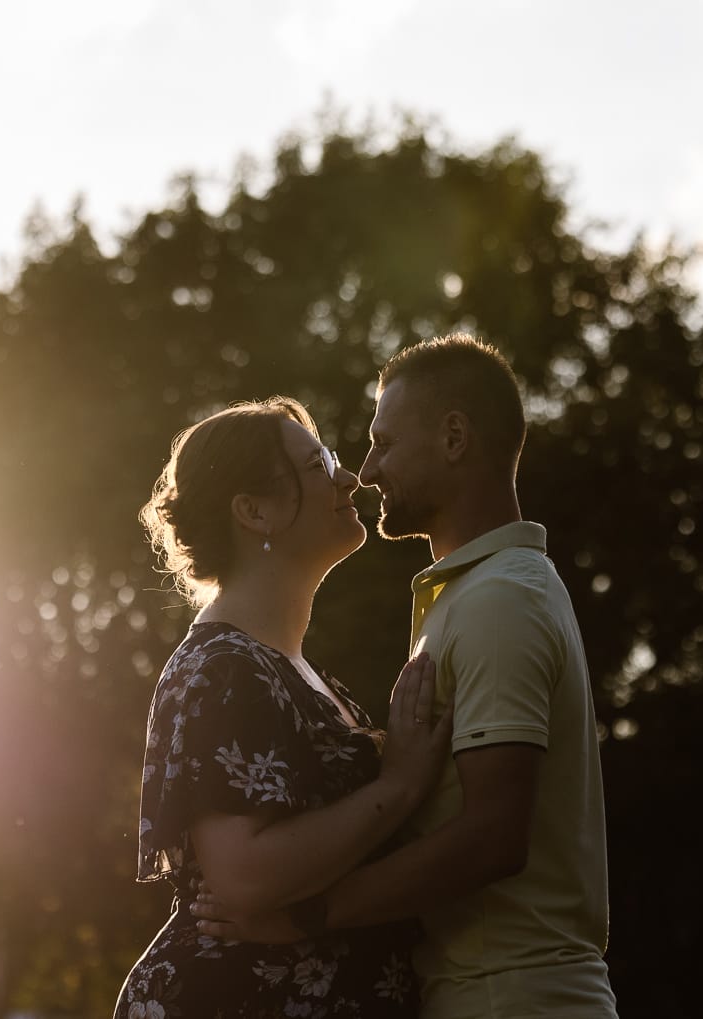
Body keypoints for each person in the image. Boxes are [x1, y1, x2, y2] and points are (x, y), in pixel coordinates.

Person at [195, 335, 619, 1018]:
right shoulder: (471, 596)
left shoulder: (499, 598)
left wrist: (307, 915)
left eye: (384, 442)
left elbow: (493, 836)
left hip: (515, 997)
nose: (366, 470)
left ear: (454, 437)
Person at [114, 397, 452, 1019]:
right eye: (319, 464)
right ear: (255, 511)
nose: (349, 477)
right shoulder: (221, 670)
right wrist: (399, 786)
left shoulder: (296, 673)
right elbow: (246, 877)